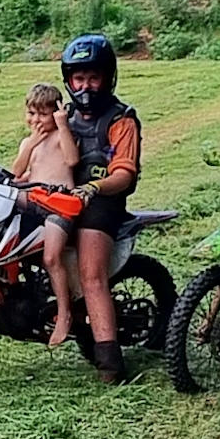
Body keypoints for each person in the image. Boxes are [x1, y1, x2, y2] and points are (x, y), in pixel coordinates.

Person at [59, 31, 145, 380]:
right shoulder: (63, 117)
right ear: (67, 80)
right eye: (78, 78)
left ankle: (111, 362)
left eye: (93, 78)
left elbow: (124, 174)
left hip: (103, 202)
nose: (85, 86)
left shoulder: (121, 119)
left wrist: (94, 188)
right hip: (63, 196)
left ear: (107, 78)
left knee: (91, 274)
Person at [8, 81, 87, 350]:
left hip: (59, 205)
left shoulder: (61, 135)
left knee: (51, 256)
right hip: (33, 201)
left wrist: (62, 126)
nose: (36, 120)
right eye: (31, 113)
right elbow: (16, 173)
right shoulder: (28, 142)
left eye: (43, 114)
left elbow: (72, 160)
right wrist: (30, 145)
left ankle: (64, 313)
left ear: (56, 112)